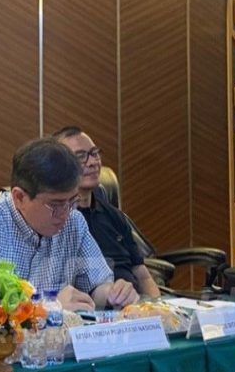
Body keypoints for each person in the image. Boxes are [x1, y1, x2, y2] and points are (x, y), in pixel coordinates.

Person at [0, 137, 140, 312]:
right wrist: (48, 306)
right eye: (56, 205)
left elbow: (97, 285)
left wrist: (114, 294)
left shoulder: (74, 221)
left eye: (72, 201)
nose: (66, 213)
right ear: (19, 197)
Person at [53, 126, 161, 299]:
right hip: (92, 307)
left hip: (135, 304)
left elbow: (143, 276)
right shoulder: (56, 221)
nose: (92, 162)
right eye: (80, 156)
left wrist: (158, 307)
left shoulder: (115, 216)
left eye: (95, 153)